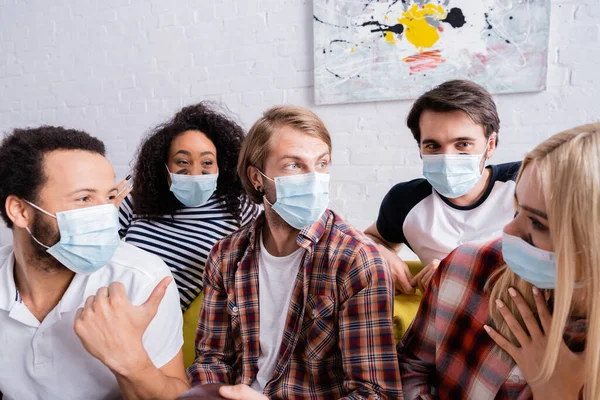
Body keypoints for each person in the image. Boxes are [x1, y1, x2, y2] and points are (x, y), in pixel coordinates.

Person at [187, 106, 402, 399]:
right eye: (294, 165)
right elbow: (211, 359)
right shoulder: (226, 256)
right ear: (256, 178)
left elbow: (375, 394)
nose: (314, 178)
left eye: (322, 163)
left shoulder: (355, 259)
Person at [398, 123, 599, 399]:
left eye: (539, 224)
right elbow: (411, 366)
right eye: (517, 209)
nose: (508, 231)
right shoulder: (466, 266)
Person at [0, 126, 188, 399]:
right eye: (84, 198)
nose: (106, 214)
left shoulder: (143, 280)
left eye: (110, 197)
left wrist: (132, 362)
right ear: (20, 211)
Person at [365, 80, 521, 294]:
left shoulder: (524, 184)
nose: (447, 157)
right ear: (420, 149)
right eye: (433, 146)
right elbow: (372, 237)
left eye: (463, 144)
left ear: (490, 145)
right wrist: (379, 252)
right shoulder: (405, 200)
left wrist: (458, 271)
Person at [119, 102, 259, 311]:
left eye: (207, 162)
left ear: (221, 165)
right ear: (164, 167)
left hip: (174, 324)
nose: (194, 173)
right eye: (182, 162)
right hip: (117, 307)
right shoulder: (136, 198)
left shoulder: (237, 206)